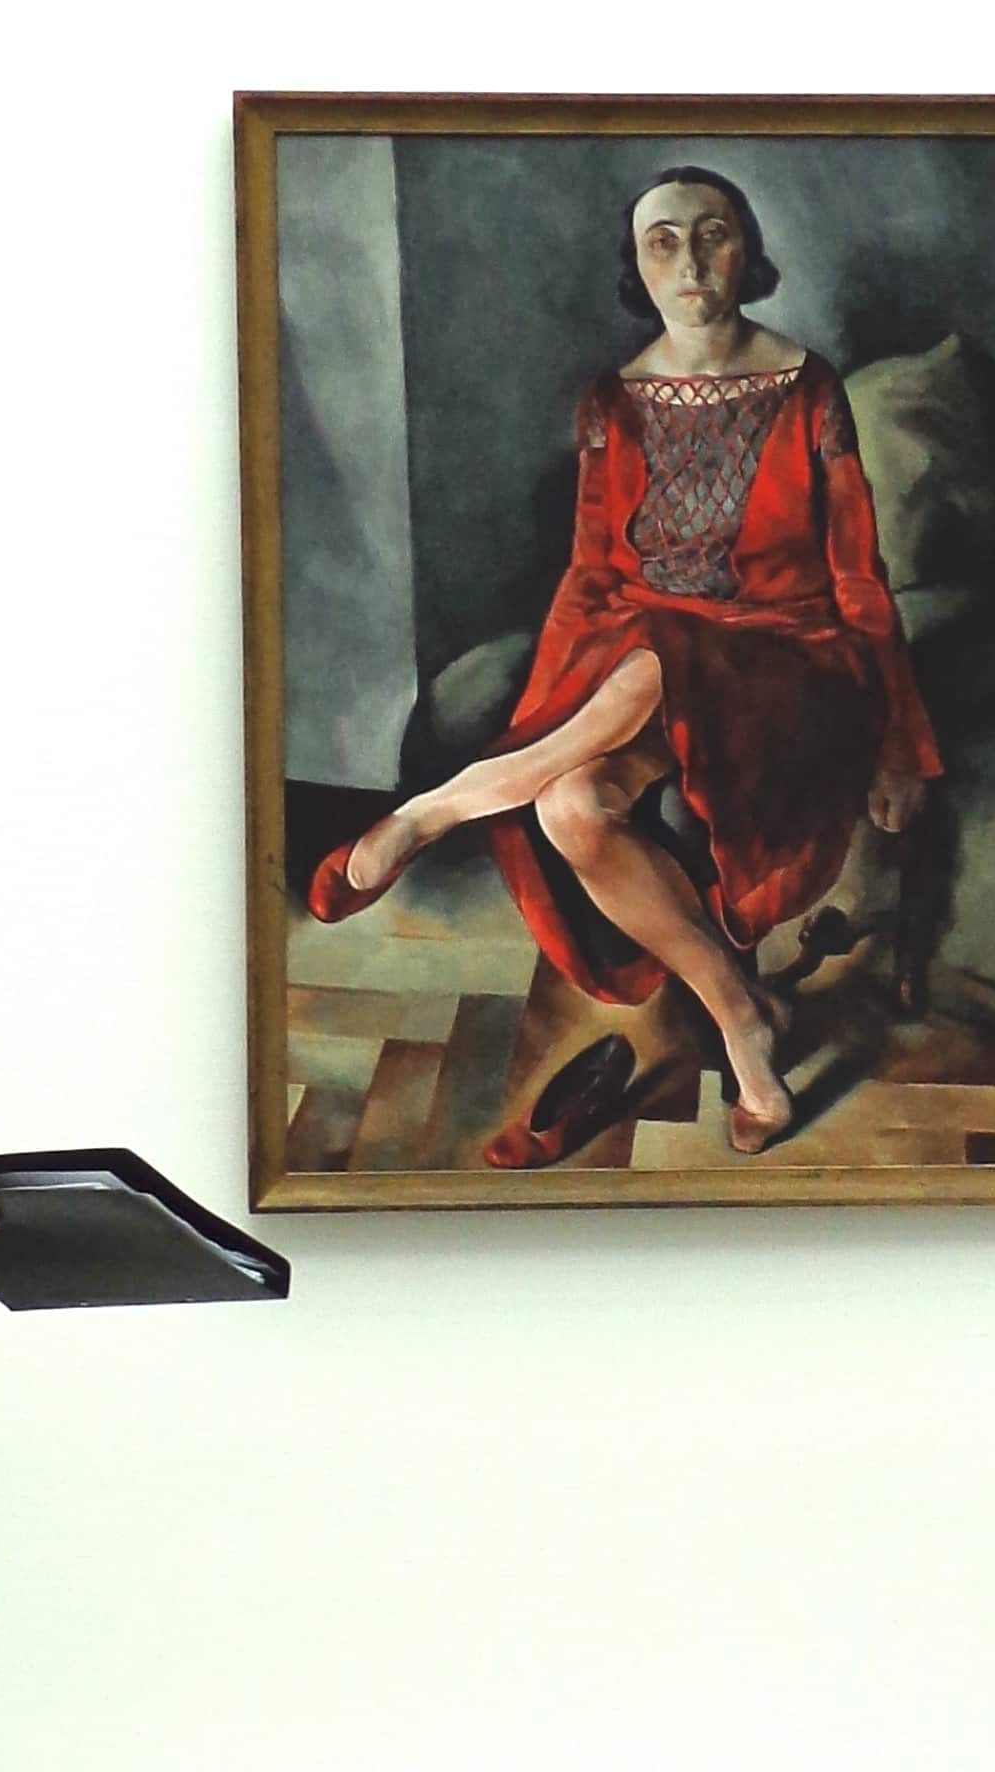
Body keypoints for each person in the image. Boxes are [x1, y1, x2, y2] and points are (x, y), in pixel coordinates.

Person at [303, 166, 940, 1157]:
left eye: (713, 233)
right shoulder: (612, 401)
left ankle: (436, 809)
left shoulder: (809, 387)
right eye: (663, 241)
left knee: (650, 652)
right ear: (637, 267)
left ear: (747, 248)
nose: (691, 261)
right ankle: (743, 1021)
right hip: (658, 672)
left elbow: (859, 576)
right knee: (570, 802)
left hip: (791, 665)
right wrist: (547, 718)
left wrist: (902, 739)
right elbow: (593, 578)